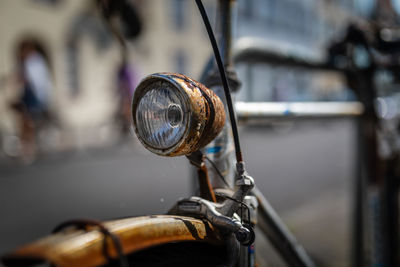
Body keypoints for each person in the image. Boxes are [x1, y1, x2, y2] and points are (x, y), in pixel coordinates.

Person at [11, 40, 53, 162]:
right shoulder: (26, 62)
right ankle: (29, 148)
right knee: (27, 122)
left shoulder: (34, 61)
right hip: (29, 95)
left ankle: (31, 149)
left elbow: (37, 81)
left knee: (30, 122)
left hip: (34, 96)